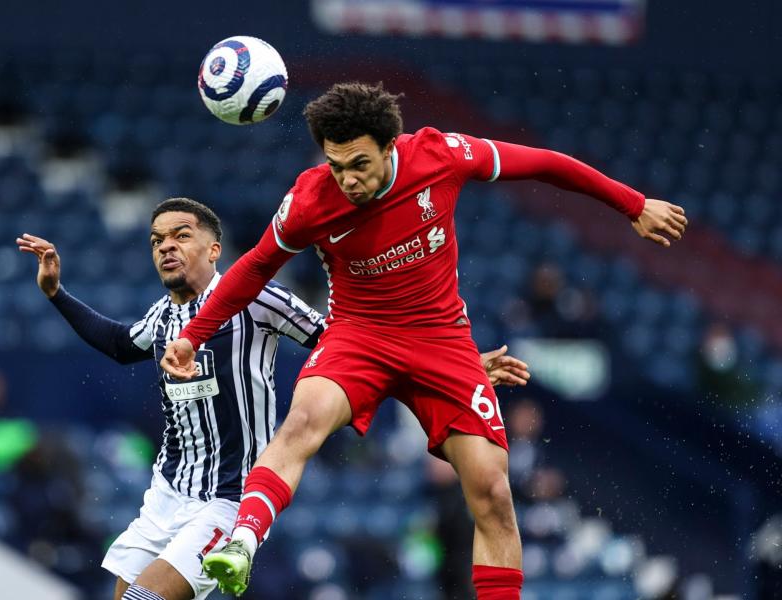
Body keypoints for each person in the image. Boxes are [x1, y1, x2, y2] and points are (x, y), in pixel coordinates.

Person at [160, 82, 688, 598]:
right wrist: (192, 337)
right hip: (358, 336)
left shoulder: (440, 155)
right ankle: (242, 543)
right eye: (336, 165)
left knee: (493, 492)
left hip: (442, 341)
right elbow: (253, 268)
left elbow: (547, 163)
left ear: (391, 146)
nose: (347, 179)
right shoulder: (309, 200)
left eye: (359, 164)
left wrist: (633, 204)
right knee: (302, 421)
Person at [17, 197, 528, 600]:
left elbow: (346, 349)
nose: (166, 247)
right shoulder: (162, 317)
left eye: (181, 235)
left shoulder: (257, 298)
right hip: (165, 494)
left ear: (215, 250)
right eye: (156, 241)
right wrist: (56, 293)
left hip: (229, 501)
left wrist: (451, 366)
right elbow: (116, 343)